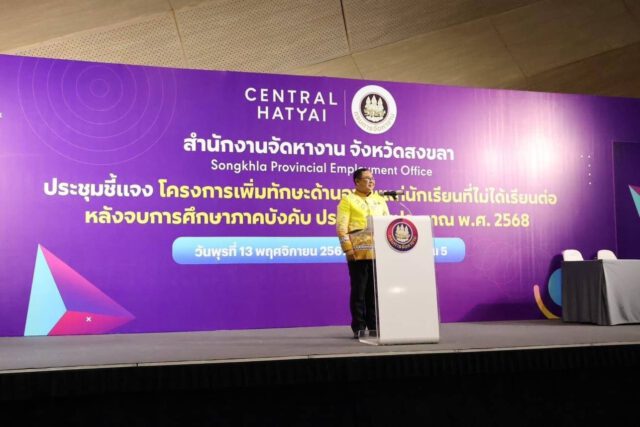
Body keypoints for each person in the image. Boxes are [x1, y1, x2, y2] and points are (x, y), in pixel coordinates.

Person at [336, 168, 389, 338]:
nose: (371, 181)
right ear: (357, 181)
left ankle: (374, 326)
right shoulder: (348, 200)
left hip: (378, 252)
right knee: (359, 291)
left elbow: (387, 224)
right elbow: (341, 227)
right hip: (357, 253)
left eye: (372, 178)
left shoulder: (380, 200)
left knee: (374, 292)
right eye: (367, 178)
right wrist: (347, 248)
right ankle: (359, 327)